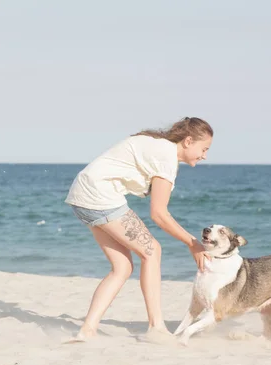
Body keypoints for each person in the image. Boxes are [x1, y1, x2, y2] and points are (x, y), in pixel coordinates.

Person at [64, 116, 214, 341]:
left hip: (81, 195)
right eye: (204, 148)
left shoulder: (157, 144)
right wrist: (193, 244)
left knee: (122, 267)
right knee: (152, 251)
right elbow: (159, 214)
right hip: (100, 196)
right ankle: (156, 327)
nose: (205, 155)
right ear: (188, 141)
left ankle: (88, 329)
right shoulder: (166, 158)